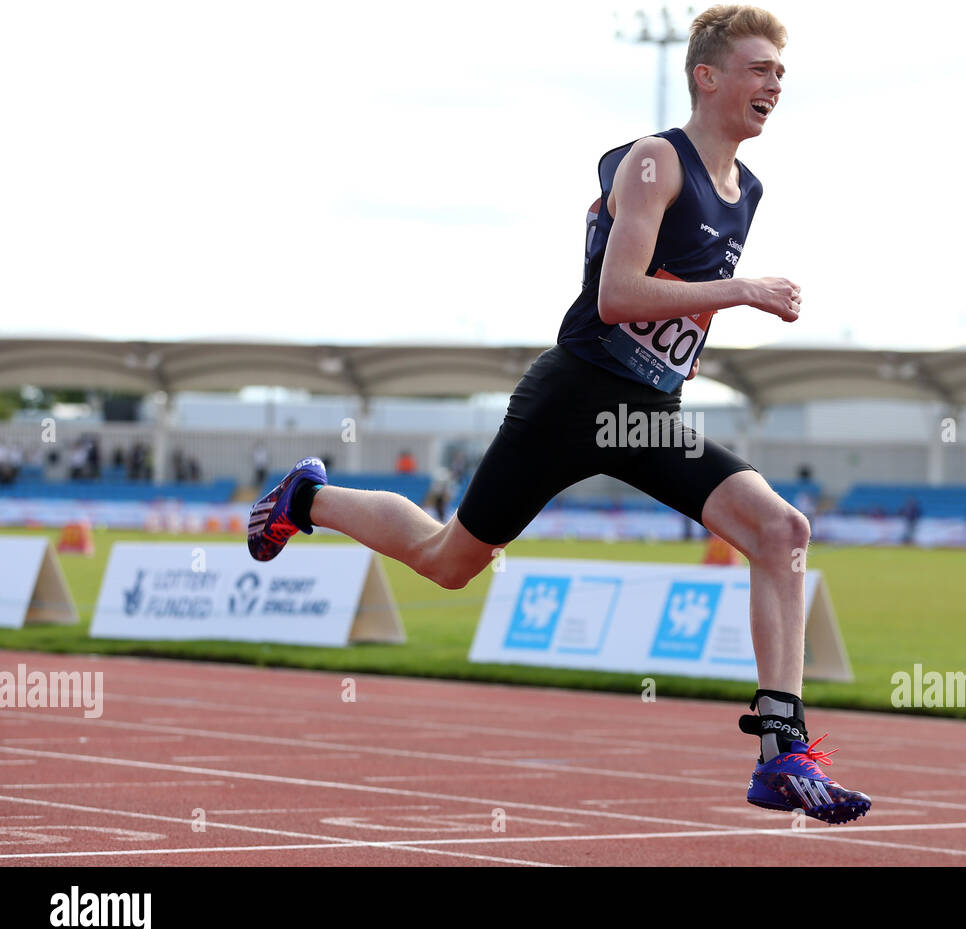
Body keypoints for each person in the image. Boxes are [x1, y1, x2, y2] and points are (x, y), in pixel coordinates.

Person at [247, 4, 870, 825]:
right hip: (576, 398)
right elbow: (616, 297)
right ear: (706, 76)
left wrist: (697, 311)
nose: (775, 84)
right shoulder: (657, 161)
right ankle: (306, 500)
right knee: (448, 560)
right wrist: (739, 290)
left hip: (648, 413)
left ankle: (780, 751)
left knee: (781, 531)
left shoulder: (746, 189)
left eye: (781, 73)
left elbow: (669, 300)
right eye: (760, 69)